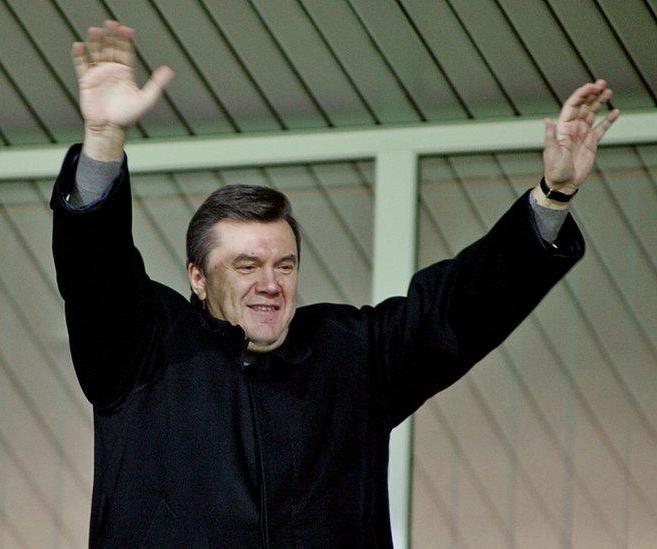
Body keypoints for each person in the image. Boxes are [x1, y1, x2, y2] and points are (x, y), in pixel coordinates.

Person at [50, 21, 620, 547]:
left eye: (285, 265)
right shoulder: (146, 348)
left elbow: (460, 309)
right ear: (197, 277)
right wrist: (103, 141)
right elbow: (95, 273)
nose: (271, 284)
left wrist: (552, 196)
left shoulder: (351, 354)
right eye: (245, 266)